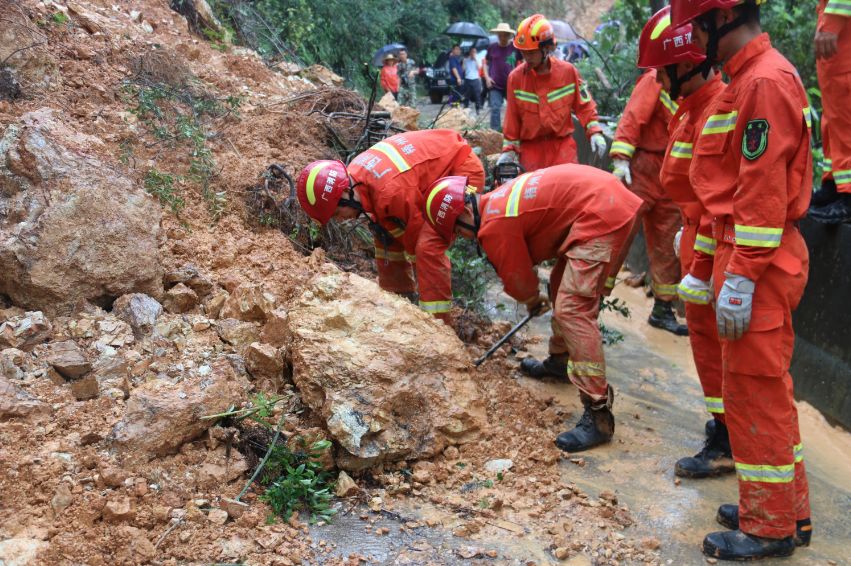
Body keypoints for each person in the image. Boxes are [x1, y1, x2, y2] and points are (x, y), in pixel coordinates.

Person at [670, 0, 813, 560]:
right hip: (747, 255)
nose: (697, 38)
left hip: (760, 259)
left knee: (756, 395)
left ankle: (769, 526)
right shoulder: (747, 79)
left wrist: (742, 277)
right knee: (763, 391)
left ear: (722, 17)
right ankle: (783, 509)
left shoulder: (762, 82)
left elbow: (759, 191)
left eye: (700, 25)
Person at [423, 168, 641, 452]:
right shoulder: (496, 202)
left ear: (464, 211)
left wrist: (531, 299)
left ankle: (598, 412)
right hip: (605, 203)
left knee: (573, 308)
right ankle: (560, 361)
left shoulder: (493, 224)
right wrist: (535, 296)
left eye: (457, 230)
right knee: (560, 285)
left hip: (603, 213)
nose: (462, 237)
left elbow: (518, 278)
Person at [637, 6, 732, 479]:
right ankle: (723, 432)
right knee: (707, 351)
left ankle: (731, 440)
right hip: (697, 242)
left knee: (726, 355)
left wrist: (702, 263)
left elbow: (726, 200)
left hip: (716, 250)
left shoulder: (719, 109)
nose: (657, 78)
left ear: (688, 61)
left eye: (662, 68)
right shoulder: (690, 110)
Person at [295, 130, 485, 323]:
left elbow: (416, 233)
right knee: (385, 233)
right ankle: (398, 299)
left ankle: (439, 325)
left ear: (345, 192)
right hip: (428, 178)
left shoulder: (391, 192)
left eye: (336, 213)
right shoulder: (357, 177)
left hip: (461, 172)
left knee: (427, 247)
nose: (341, 220)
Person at [609, 63, 687, 336]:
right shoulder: (655, 80)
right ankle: (589, 300)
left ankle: (662, 310)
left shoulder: (691, 83)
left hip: (674, 172)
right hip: (642, 169)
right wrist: (621, 159)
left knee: (668, 245)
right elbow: (634, 116)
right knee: (617, 234)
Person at [499, 14, 608, 174]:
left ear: (547, 48)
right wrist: (509, 150)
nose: (526, 57)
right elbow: (512, 119)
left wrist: (594, 132)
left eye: (531, 52)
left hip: (562, 149)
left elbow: (584, 106)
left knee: (567, 192)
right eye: (523, 52)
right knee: (535, 197)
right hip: (531, 152)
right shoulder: (515, 79)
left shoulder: (568, 72)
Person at [808, 0, 851, 223]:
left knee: (845, 112)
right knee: (835, 115)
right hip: (837, 27)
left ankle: (848, 195)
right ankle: (834, 184)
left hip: (842, 26)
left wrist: (832, 21)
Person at [483, 22, 519, 131]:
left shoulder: (515, 48)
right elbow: (485, 63)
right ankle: (495, 133)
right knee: (495, 108)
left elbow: (522, 62)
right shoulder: (492, 48)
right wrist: (487, 78)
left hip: (511, 85)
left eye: (505, 35)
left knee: (516, 108)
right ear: (497, 35)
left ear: (509, 35)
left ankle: (516, 130)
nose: (502, 37)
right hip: (495, 84)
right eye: (500, 35)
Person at [462, 46, 483, 112]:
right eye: (472, 52)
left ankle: (478, 109)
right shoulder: (466, 60)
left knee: (477, 95)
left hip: (475, 79)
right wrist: (463, 61)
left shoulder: (478, 59)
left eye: (474, 52)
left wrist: (475, 59)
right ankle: (465, 109)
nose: (473, 53)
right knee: (466, 96)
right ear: (470, 52)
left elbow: (479, 68)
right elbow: (463, 69)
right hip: (468, 79)